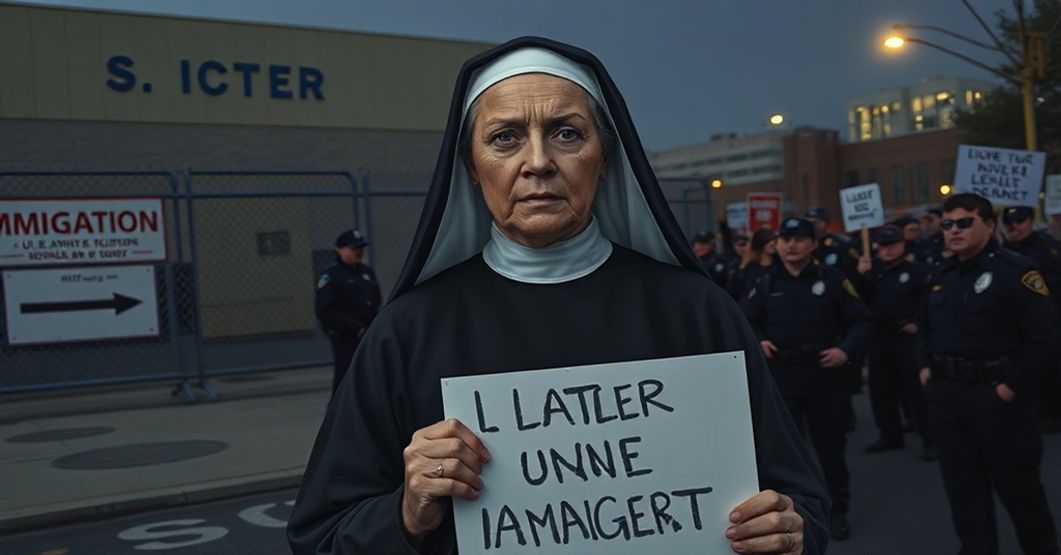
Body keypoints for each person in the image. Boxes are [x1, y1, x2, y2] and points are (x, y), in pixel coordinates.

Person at [287, 37, 830, 555]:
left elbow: (801, 501)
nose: (539, 162)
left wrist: (788, 530)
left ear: (606, 157)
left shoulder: (697, 311)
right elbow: (322, 536)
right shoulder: (407, 331)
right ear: (471, 167)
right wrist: (406, 514)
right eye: (505, 137)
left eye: (567, 133)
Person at [917, 193, 1059, 555]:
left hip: (999, 398)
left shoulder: (1017, 271)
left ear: (989, 225)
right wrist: (925, 368)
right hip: (949, 398)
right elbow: (924, 326)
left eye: (965, 222)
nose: (954, 230)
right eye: (948, 224)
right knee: (964, 491)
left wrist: (1010, 388)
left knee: (1020, 490)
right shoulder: (940, 273)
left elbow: (1044, 340)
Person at [740, 216, 871, 542]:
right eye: (785, 238)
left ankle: (837, 511)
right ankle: (794, 513)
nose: (791, 244)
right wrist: (759, 340)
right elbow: (744, 319)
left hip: (824, 376)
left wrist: (845, 350)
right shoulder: (766, 282)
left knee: (830, 449)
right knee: (785, 454)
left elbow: (861, 321)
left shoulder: (834, 279)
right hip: (782, 378)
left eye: (799, 238)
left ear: (813, 244)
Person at [855, 225, 934, 460]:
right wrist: (861, 276)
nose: (887, 250)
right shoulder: (873, 271)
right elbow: (857, 301)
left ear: (902, 245)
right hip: (879, 336)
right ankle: (890, 434)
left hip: (906, 337)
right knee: (880, 389)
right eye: (883, 246)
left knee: (915, 390)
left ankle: (930, 438)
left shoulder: (916, 271)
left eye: (892, 245)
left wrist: (917, 324)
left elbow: (928, 302)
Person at [1002, 205, 1061, 433]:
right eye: (1009, 223)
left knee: (1049, 366)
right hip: (1016, 321)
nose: (1014, 227)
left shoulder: (1046, 247)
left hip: (1047, 317)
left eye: (1019, 222)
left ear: (1030, 221)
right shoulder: (1004, 249)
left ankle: (1052, 413)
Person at [314, 229, 382, 394]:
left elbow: (376, 300)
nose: (358, 252)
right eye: (353, 248)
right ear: (340, 250)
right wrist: (354, 327)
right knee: (346, 380)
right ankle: (337, 409)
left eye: (360, 248)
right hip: (346, 338)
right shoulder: (331, 276)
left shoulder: (366, 272)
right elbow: (324, 311)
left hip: (368, 336)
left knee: (371, 378)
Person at [726, 227, 776, 299]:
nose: (773, 243)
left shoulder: (780, 267)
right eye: (768, 240)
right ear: (760, 242)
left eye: (774, 240)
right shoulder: (747, 270)